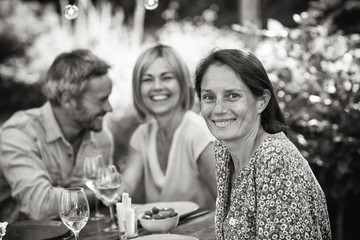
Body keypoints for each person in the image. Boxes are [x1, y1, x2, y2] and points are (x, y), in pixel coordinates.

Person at [194, 49, 332, 239]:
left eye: (232, 96)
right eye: (209, 97)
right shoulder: (224, 149)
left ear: (262, 101)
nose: (218, 109)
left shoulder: (276, 160)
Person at [0, 49, 114, 223]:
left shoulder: (102, 138)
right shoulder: (19, 134)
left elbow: (103, 206)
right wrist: (100, 193)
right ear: (68, 100)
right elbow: (40, 207)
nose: (109, 108)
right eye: (101, 100)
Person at [120, 44, 217, 210]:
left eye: (166, 78)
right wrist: (106, 189)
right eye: (147, 79)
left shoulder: (198, 133)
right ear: (138, 88)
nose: (157, 86)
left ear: (182, 83)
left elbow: (228, 201)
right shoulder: (142, 134)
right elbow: (126, 186)